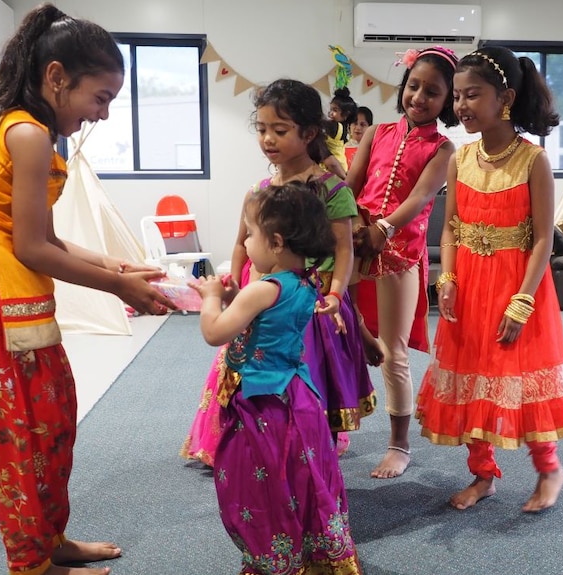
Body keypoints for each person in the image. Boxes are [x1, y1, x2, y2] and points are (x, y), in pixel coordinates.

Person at [0, 4, 174, 575]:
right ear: (57, 76)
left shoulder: (10, 122)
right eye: (101, 98)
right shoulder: (30, 134)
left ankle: (49, 539)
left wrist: (116, 265)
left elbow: (44, 235)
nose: (104, 114)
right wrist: (119, 287)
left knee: (51, 423)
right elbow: (33, 248)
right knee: (21, 439)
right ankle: (33, 565)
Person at [415, 46, 563, 513]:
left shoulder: (533, 162)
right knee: (473, 377)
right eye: (457, 97)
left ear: (505, 97)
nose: (461, 107)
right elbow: (451, 227)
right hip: (469, 286)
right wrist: (446, 276)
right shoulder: (460, 158)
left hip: (518, 286)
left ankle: (549, 468)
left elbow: (542, 242)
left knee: (520, 378)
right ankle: (483, 474)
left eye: (472, 95)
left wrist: (522, 302)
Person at [191, 181, 362, 574]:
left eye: (251, 234)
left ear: (277, 241)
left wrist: (210, 297)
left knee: (261, 483)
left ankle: (276, 561)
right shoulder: (306, 283)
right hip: (298, 399)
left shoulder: (263, 288)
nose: (246, 243)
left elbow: (214, 333)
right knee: (300, 477)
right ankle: (312, 554)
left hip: (263, 405)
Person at [220, 79, 373, 456]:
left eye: (280, 130)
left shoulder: (332, 189)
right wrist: (239, 295)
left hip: (316, 302)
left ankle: (314, 447)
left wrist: (337, 294)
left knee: (312, 375)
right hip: (264, 298)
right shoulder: (258, 191)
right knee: (261, 376)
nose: (268, 139)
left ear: (308, 133)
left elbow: (343, 250)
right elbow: (241, 244)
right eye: (262, 129)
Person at [346, 46, 459, 479]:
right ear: (403, 87)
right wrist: (354, 226)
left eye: (432, 92)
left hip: (399, 253)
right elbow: (352, 184)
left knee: (393, 351)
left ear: (446, 101)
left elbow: (420, 198)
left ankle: (399, 444)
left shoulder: (444, 148)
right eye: (414, 86)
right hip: (356, 243)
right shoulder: (376, 132)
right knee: (340, 333)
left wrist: (384, 230)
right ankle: (336, 427)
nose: (419, 97)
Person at [323, 86, 358, 176]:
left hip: (335, 166)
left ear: (346, 114)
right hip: (340, 164)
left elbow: (319, 122)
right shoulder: (344, 128)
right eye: (330, 109)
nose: (330, 113)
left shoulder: (335, 126)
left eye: (335, 110)